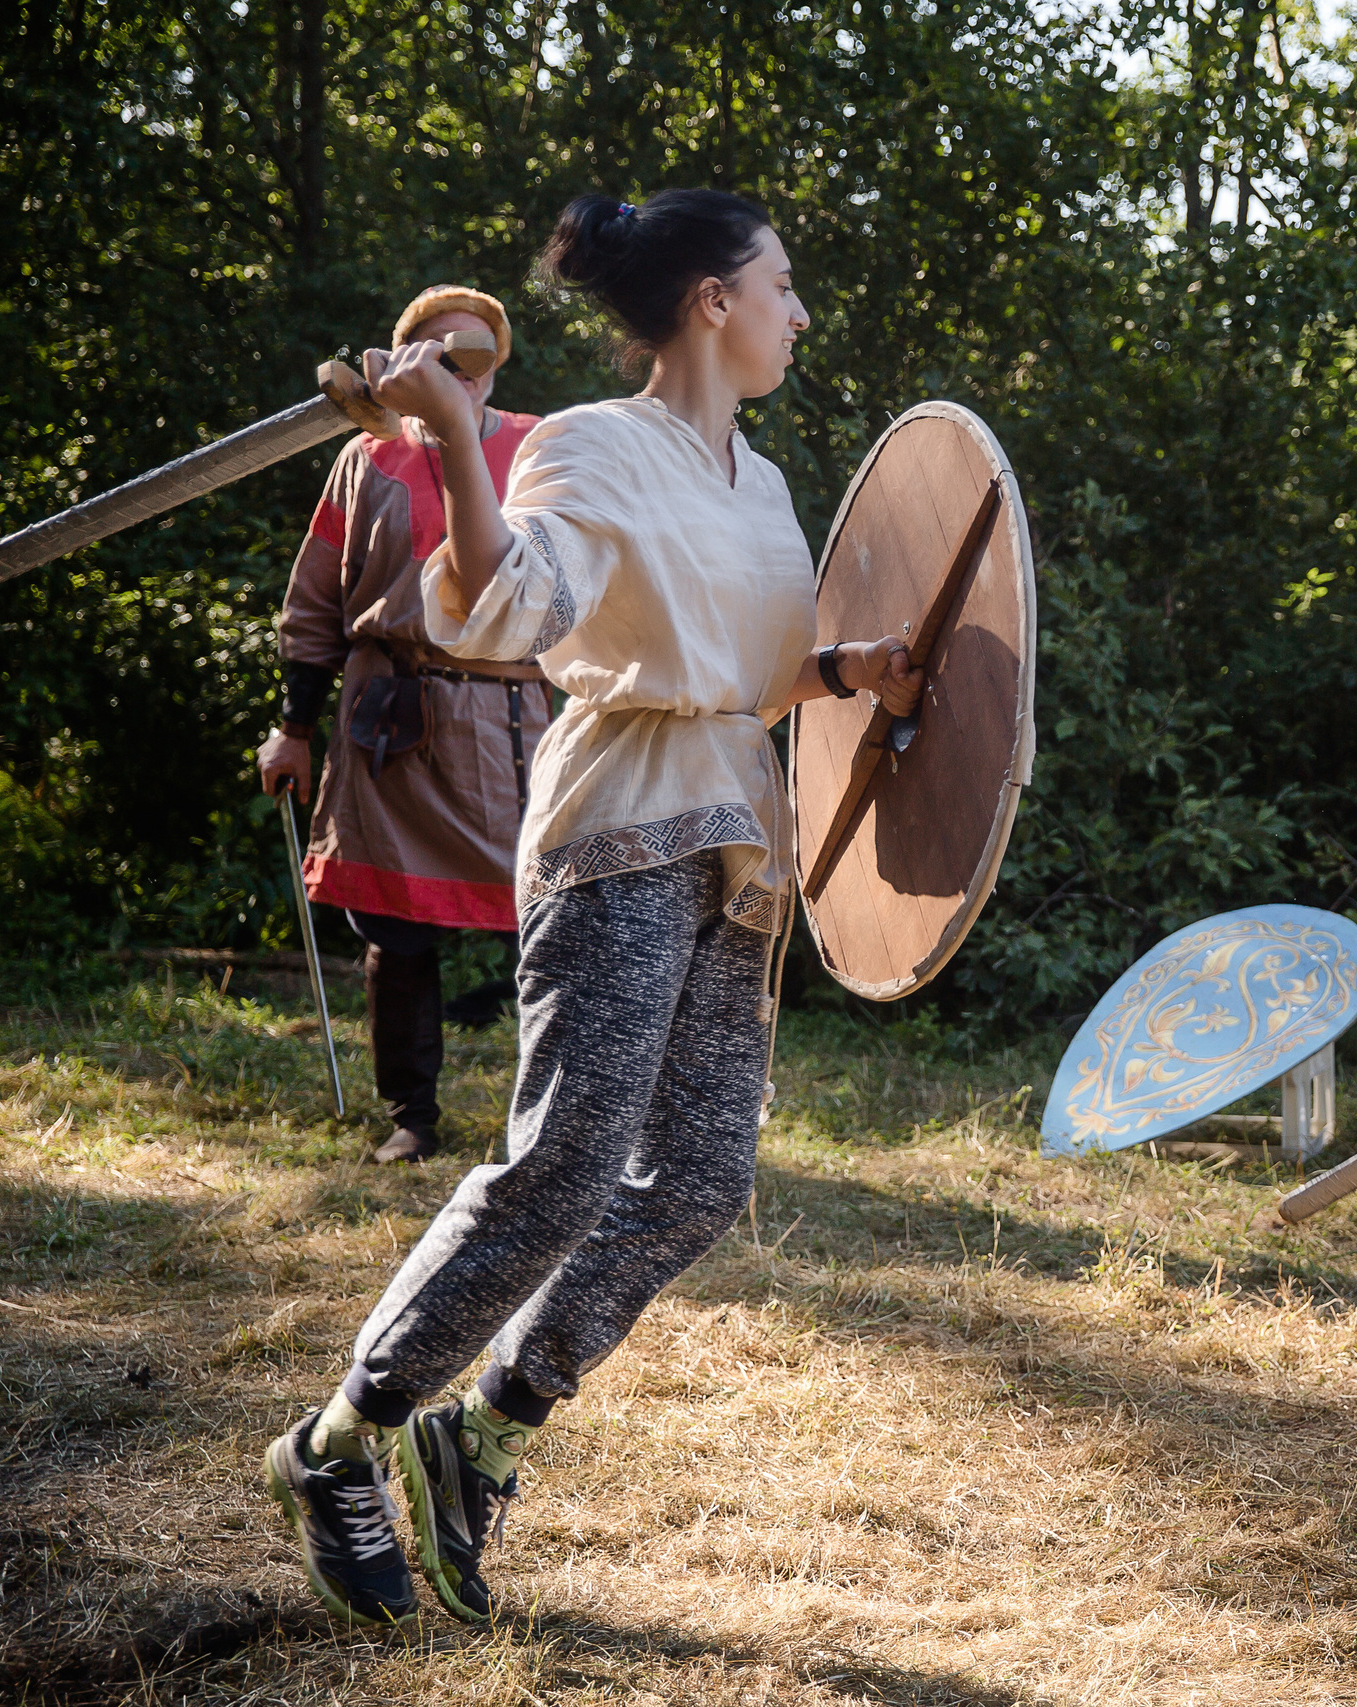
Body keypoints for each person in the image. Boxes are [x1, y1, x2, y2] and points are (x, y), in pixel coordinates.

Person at [262, 189, 925, 1628]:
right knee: (565, 1165)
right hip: (622, 829)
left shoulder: (761, 479)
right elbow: (513, 610)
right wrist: (446, 430)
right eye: (782, 285)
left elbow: (752, 663)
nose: (798, 313)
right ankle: (335, 1441)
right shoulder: (586, 446)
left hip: (740, 845)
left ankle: (482, 1430)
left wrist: (847, 662)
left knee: (695, 1179)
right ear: (709, 300)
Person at [259, 284, 544, 1165]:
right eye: (440, 354)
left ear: (495, 365)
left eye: (476, 354)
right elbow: (313, 607)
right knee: (395, 931)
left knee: (548, 920)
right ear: (407, 363)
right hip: (389, 714)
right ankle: (412, 1117)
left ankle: (554, 1122)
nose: (461, 370)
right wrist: (294, 728)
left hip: (509, 718)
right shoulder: (366, 459)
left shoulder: (539, 447)